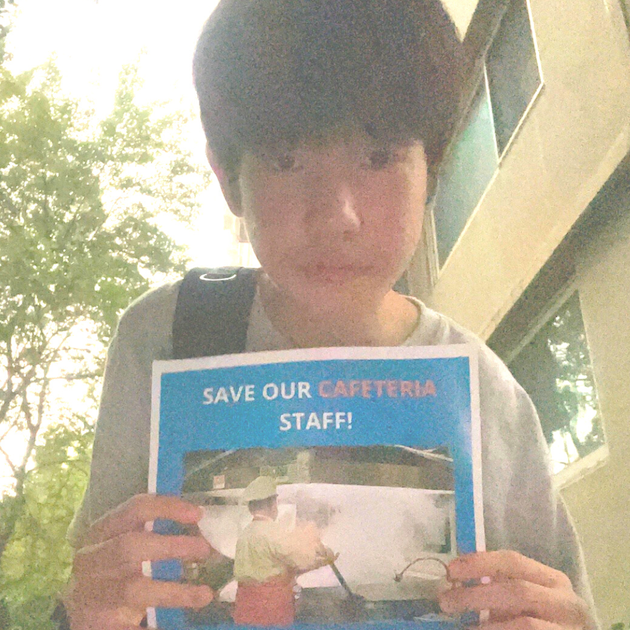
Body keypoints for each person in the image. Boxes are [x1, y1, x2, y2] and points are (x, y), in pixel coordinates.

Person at [64, 1, 597, 629]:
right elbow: (100, 593)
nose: (337, 216)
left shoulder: (486, 398)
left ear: (433, 167)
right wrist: (82, 612)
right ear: (228, 180)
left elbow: (561, 605)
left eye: (379, 157)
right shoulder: (166, 340)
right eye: (286, 160)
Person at [232, 477, 335, 626]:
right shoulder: (274, 531)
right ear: (272, 504)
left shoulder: (245, 533)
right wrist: (323, 557)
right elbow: (301, 561)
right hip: (270, 608)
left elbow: (269, 564)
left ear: (251, 508)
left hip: (244, 606)